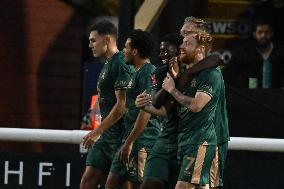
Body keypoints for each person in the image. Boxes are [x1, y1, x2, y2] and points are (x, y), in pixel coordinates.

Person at [161, 29, 225, 189]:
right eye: (182, 42)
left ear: (200, 49)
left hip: (200, 142)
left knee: (183, 186)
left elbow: (196, 105)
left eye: (187, 43)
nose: (181, 46)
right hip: (186, 141)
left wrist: (172, 90)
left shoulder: (211, 74)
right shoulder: (186, 75)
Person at [80, 20, 134, 189]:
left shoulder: (121, 63)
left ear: (108, 39)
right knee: (87, 182)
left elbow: (122, 106)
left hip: (120, 138)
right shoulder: (108, 64)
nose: (90, 45)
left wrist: (96, 131)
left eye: (93, 40)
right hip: (106, 137)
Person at [104, 29, 161, 189]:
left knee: (138, 185)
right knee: (111, 184)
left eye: (126, 47)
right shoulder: (137, 73)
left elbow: (146, 112)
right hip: (129, 141)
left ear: (135, 51)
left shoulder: (148, 72)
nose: (123, 50)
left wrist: (129, 142)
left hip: (143, 141)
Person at [223, 19, 284, 89]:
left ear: (272, 34)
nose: (263, 35)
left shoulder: (280, 53)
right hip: (249, 97)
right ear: (254, 34)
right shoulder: (244, 52)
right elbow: (228, 75)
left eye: (267, 32)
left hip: (276, 96)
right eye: (260, 32)